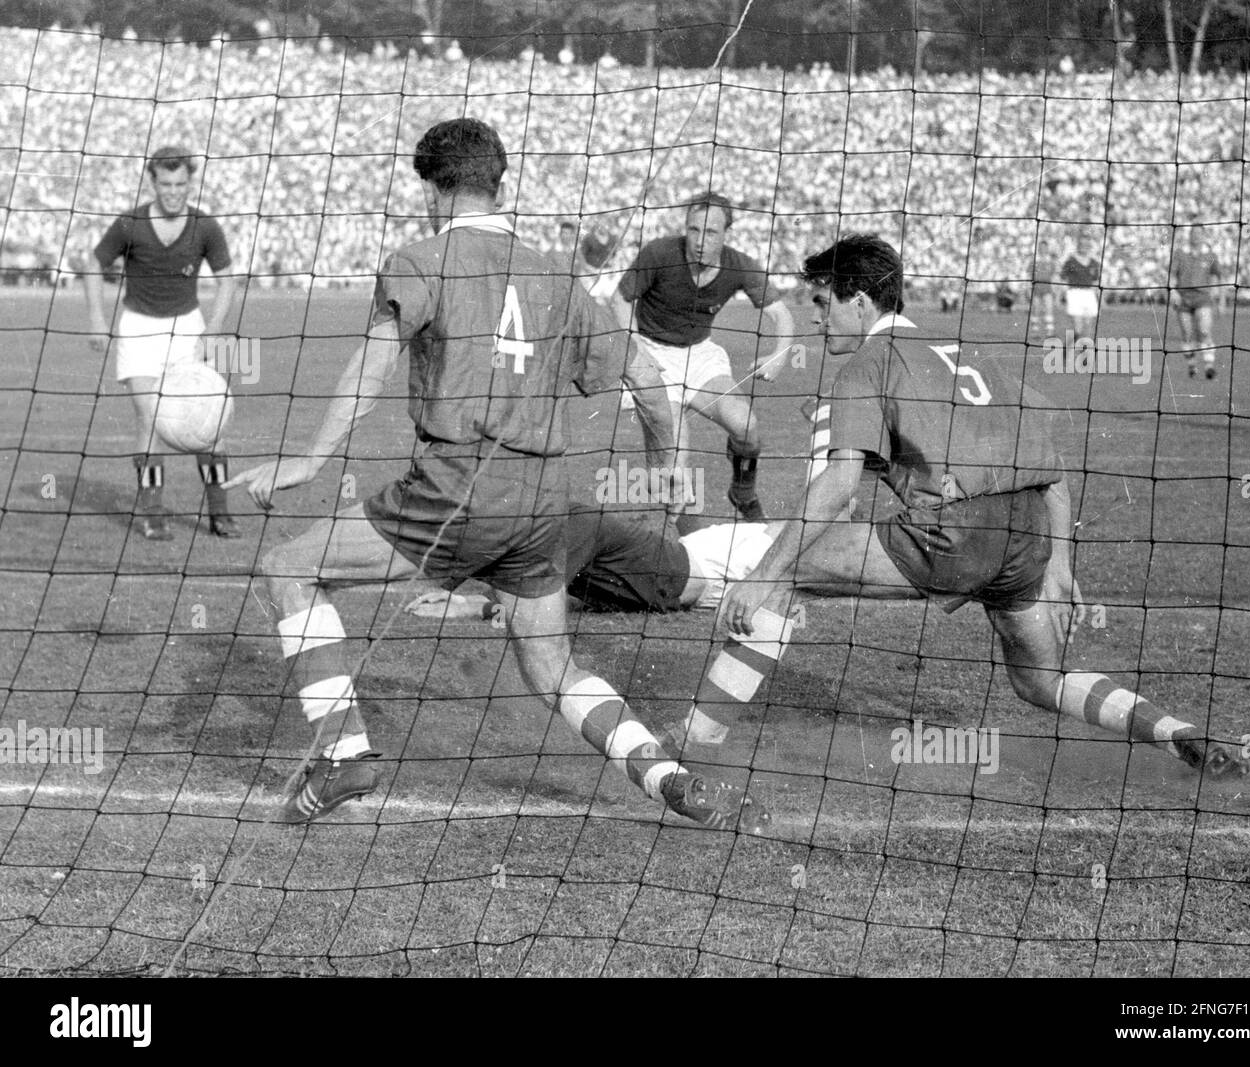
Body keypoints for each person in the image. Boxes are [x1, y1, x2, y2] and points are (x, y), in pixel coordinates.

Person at [225, 118, 765, 833]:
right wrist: (665, 468)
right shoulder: (559, 277)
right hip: (543, 509)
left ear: (436, 188)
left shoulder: (422, 259)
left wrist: (310, 459)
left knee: (291, 567)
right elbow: (644, 377)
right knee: (551, 670)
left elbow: (373, 364)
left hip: (454, 493)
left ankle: (342, 751)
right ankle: (665, 774)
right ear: (499, 182)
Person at [671, 232, 1248, 781]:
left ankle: (694, 742)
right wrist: (1060, 565)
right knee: (1040, 681)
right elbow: (1050, 471)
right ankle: (1176, 731)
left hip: (956, 536)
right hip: (1026, 538)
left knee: (785, 567)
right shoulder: (972, 352)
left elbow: (838, 488)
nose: (818, 319)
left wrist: (763, 576)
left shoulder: (867, 364)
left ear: (862, 301)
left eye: (824, 302)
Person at [83, 146, 240, 540]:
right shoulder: (129, 224)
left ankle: (219, 511)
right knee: (150, 421)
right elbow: (92, 266)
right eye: (166, 184)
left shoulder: (204, 226)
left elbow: (228, 280)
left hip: (189, 329)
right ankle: (153, 513)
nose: (173, 192)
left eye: (181, 184)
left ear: (190, 182)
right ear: (153, 181)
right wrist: (97, 321)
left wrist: (215, 327)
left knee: (210, 424)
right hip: (138, 332)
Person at [610, 192, 796, 521]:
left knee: (747, 427)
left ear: (726, 234)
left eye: (710, 233)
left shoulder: (738, 265)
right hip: (652, 352)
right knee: (673, 467)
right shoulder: (659, 253)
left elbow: (781, 315)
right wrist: (635, 349)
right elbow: (620, 300)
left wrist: (780, 355)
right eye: (694, 230)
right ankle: (684, 551)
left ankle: (742, 491)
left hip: (700, 354)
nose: (699, 241)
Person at [406, 507, 776, 622]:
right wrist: (464, 604)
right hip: (702, 568)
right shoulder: (555, 539)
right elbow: (548, 601)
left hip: (719, 561)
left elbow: (534, 609)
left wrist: (453, 591)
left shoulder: (577, 527)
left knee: (814, 553)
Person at [1169, 228, 1223, 380]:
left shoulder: (1210, 255)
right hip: (1183, 298)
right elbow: (1172, 275)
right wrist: (1173, 292)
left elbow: (1216, 274)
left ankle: (1209, 366)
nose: (1196, 237)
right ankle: (1192, 365)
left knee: (1204, 330)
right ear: (1190, 236)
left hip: (1202, 298)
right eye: (1194, 234)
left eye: (1199, 234)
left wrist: (1217, 295)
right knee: (1187, 334)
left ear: (1204, 236)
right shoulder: (1180, 254)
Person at [1059, 233, 1100, 341]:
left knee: (1089, 326)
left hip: (1089, 293)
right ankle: (1068, 348)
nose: (1084, 247)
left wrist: (1097, 295)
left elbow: (1096, 280)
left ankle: (1086, 353)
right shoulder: (1071, 262)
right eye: (1082, 244)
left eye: (1087, 244)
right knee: (1078, 328)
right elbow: (1062, 277)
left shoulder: (1094, 263)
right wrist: (1064, 292)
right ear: (1078, 245)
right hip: (1074, 293)